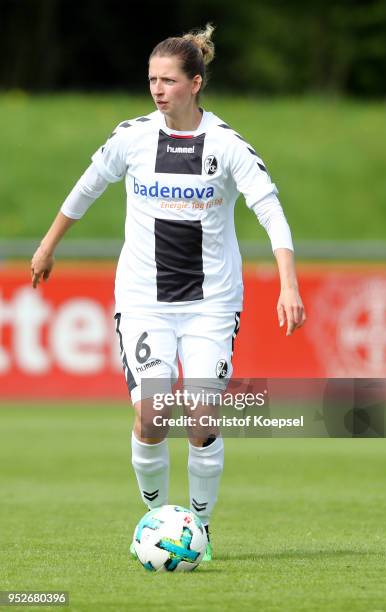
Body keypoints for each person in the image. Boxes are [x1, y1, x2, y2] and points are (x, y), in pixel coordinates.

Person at [31, 24, 306, 562]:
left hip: (210, 304)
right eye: (152, 79)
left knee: (201, 417)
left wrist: (288, 282)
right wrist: (47, 246)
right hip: (143, 301)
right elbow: (87, 185)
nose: (157, 90)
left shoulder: (226, 145)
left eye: (169, 81)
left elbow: (268, 207)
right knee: (153, 415)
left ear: (195, 84)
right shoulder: (132, 137)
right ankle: (157, 519)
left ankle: (198, 530)